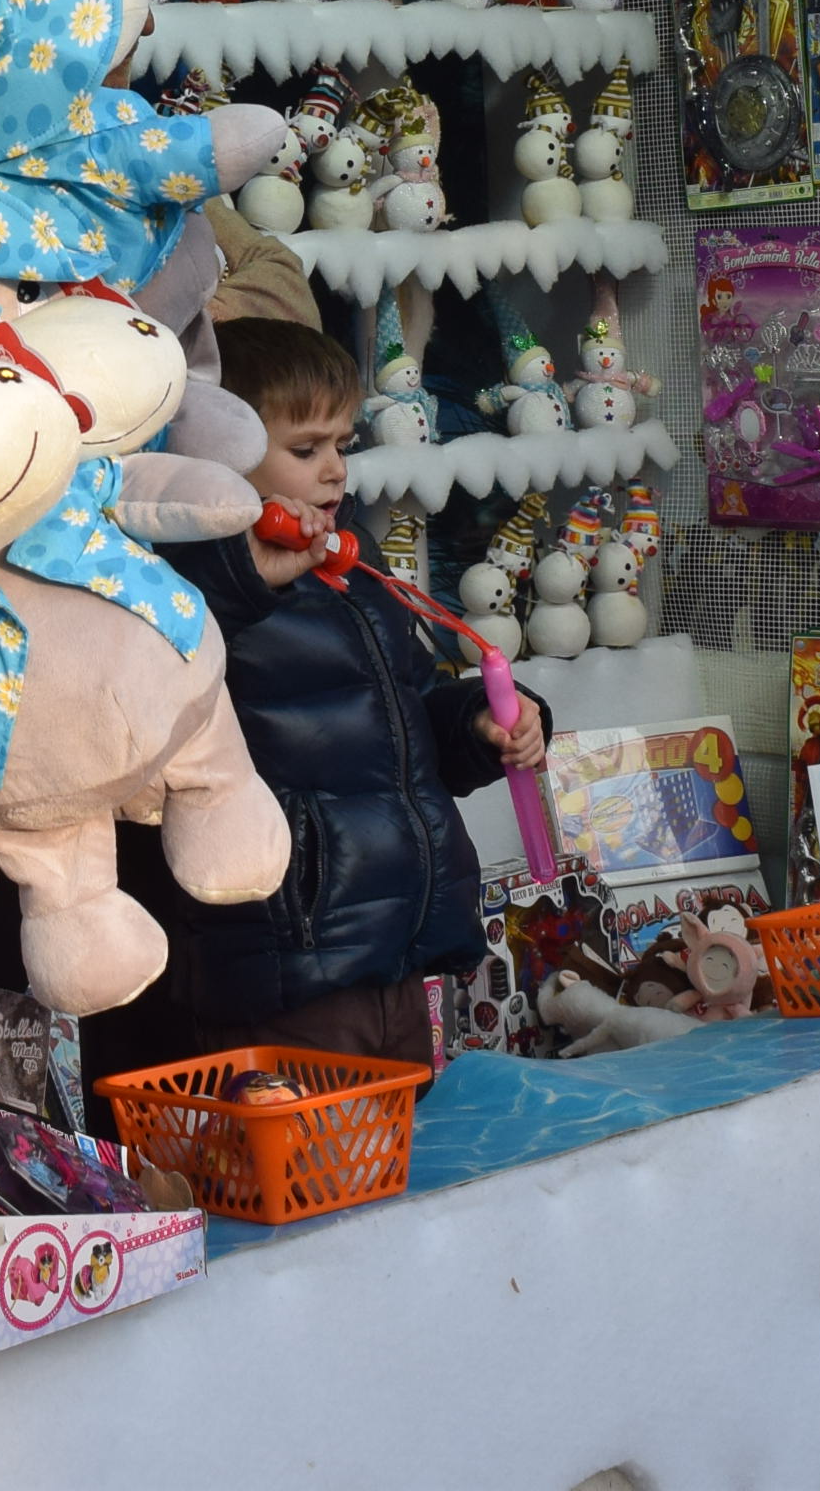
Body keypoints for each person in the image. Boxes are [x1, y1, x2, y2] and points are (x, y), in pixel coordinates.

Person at [88, 317, 545, 1087]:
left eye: (342, 444)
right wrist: (242, 577)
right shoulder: (179, 584)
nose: (335, 471)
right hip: (284, 959)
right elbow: (150, 674)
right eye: (305, 451)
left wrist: (477, 726)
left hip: (388, 949)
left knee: (396, 1151)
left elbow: (409, 715)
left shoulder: (354, 576)